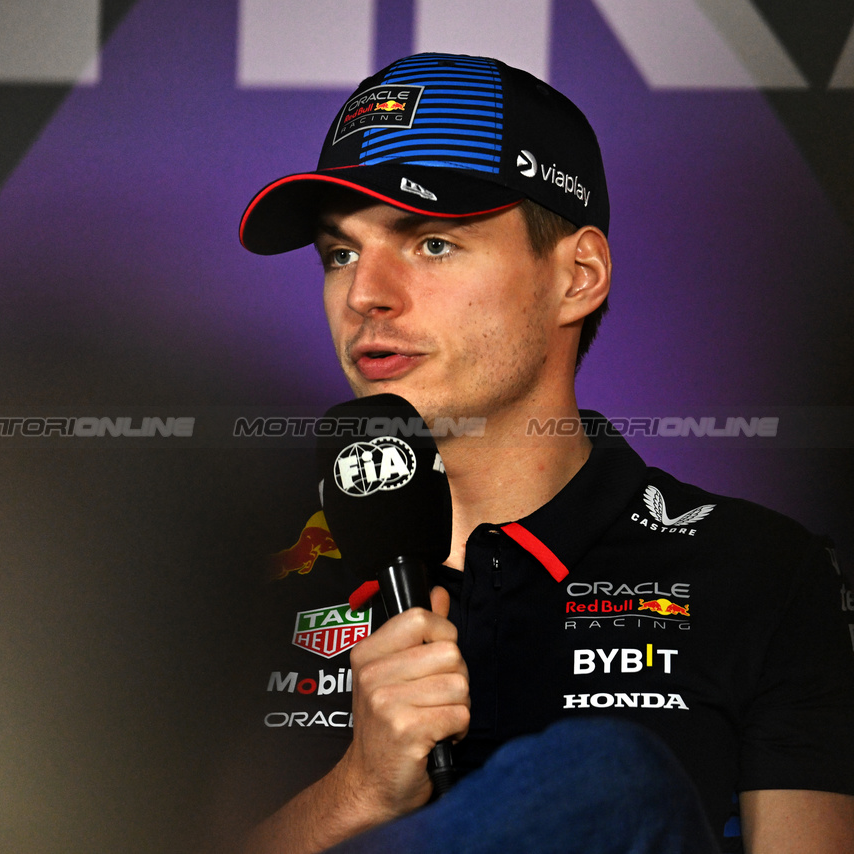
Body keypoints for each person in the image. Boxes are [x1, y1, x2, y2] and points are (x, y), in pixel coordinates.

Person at [235, 52, 854, 853]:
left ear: (578, 275)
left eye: (430, 244)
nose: (365, 294)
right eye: (340, 254)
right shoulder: (235, 570)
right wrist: (357, 789)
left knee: (606, 780)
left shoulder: (761, 571)